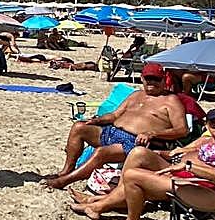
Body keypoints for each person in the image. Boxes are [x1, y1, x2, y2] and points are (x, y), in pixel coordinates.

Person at [105, 95, 215, 220]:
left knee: (133, 175)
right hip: (203, 185)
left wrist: (189, 167)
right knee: (140, 155)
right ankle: (104, 202)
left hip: (213, 193)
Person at [42, 62, 188, 190]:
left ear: (164, 80)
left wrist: (153, 134)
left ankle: (64, 181)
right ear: (142, 78)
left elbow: (182, 130)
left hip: (136, 142)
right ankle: (66, 170)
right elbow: (115, 115)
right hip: (112, 132)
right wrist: (97, 120)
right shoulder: (136, 95)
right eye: (148, 78)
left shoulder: (171, 101)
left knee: (101, 152)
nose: (152, 82)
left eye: (156, 79)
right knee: (79, 127)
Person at [72, 106, 215, 220]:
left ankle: (98, 205)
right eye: (212, 123)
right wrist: (162, 153)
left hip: (193, 181)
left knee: (133, 175)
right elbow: (174, 153)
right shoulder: (207, 140)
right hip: (177, 167)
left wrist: (188, 164)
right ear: (207, 124)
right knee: (138, 153)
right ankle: (100, 200)